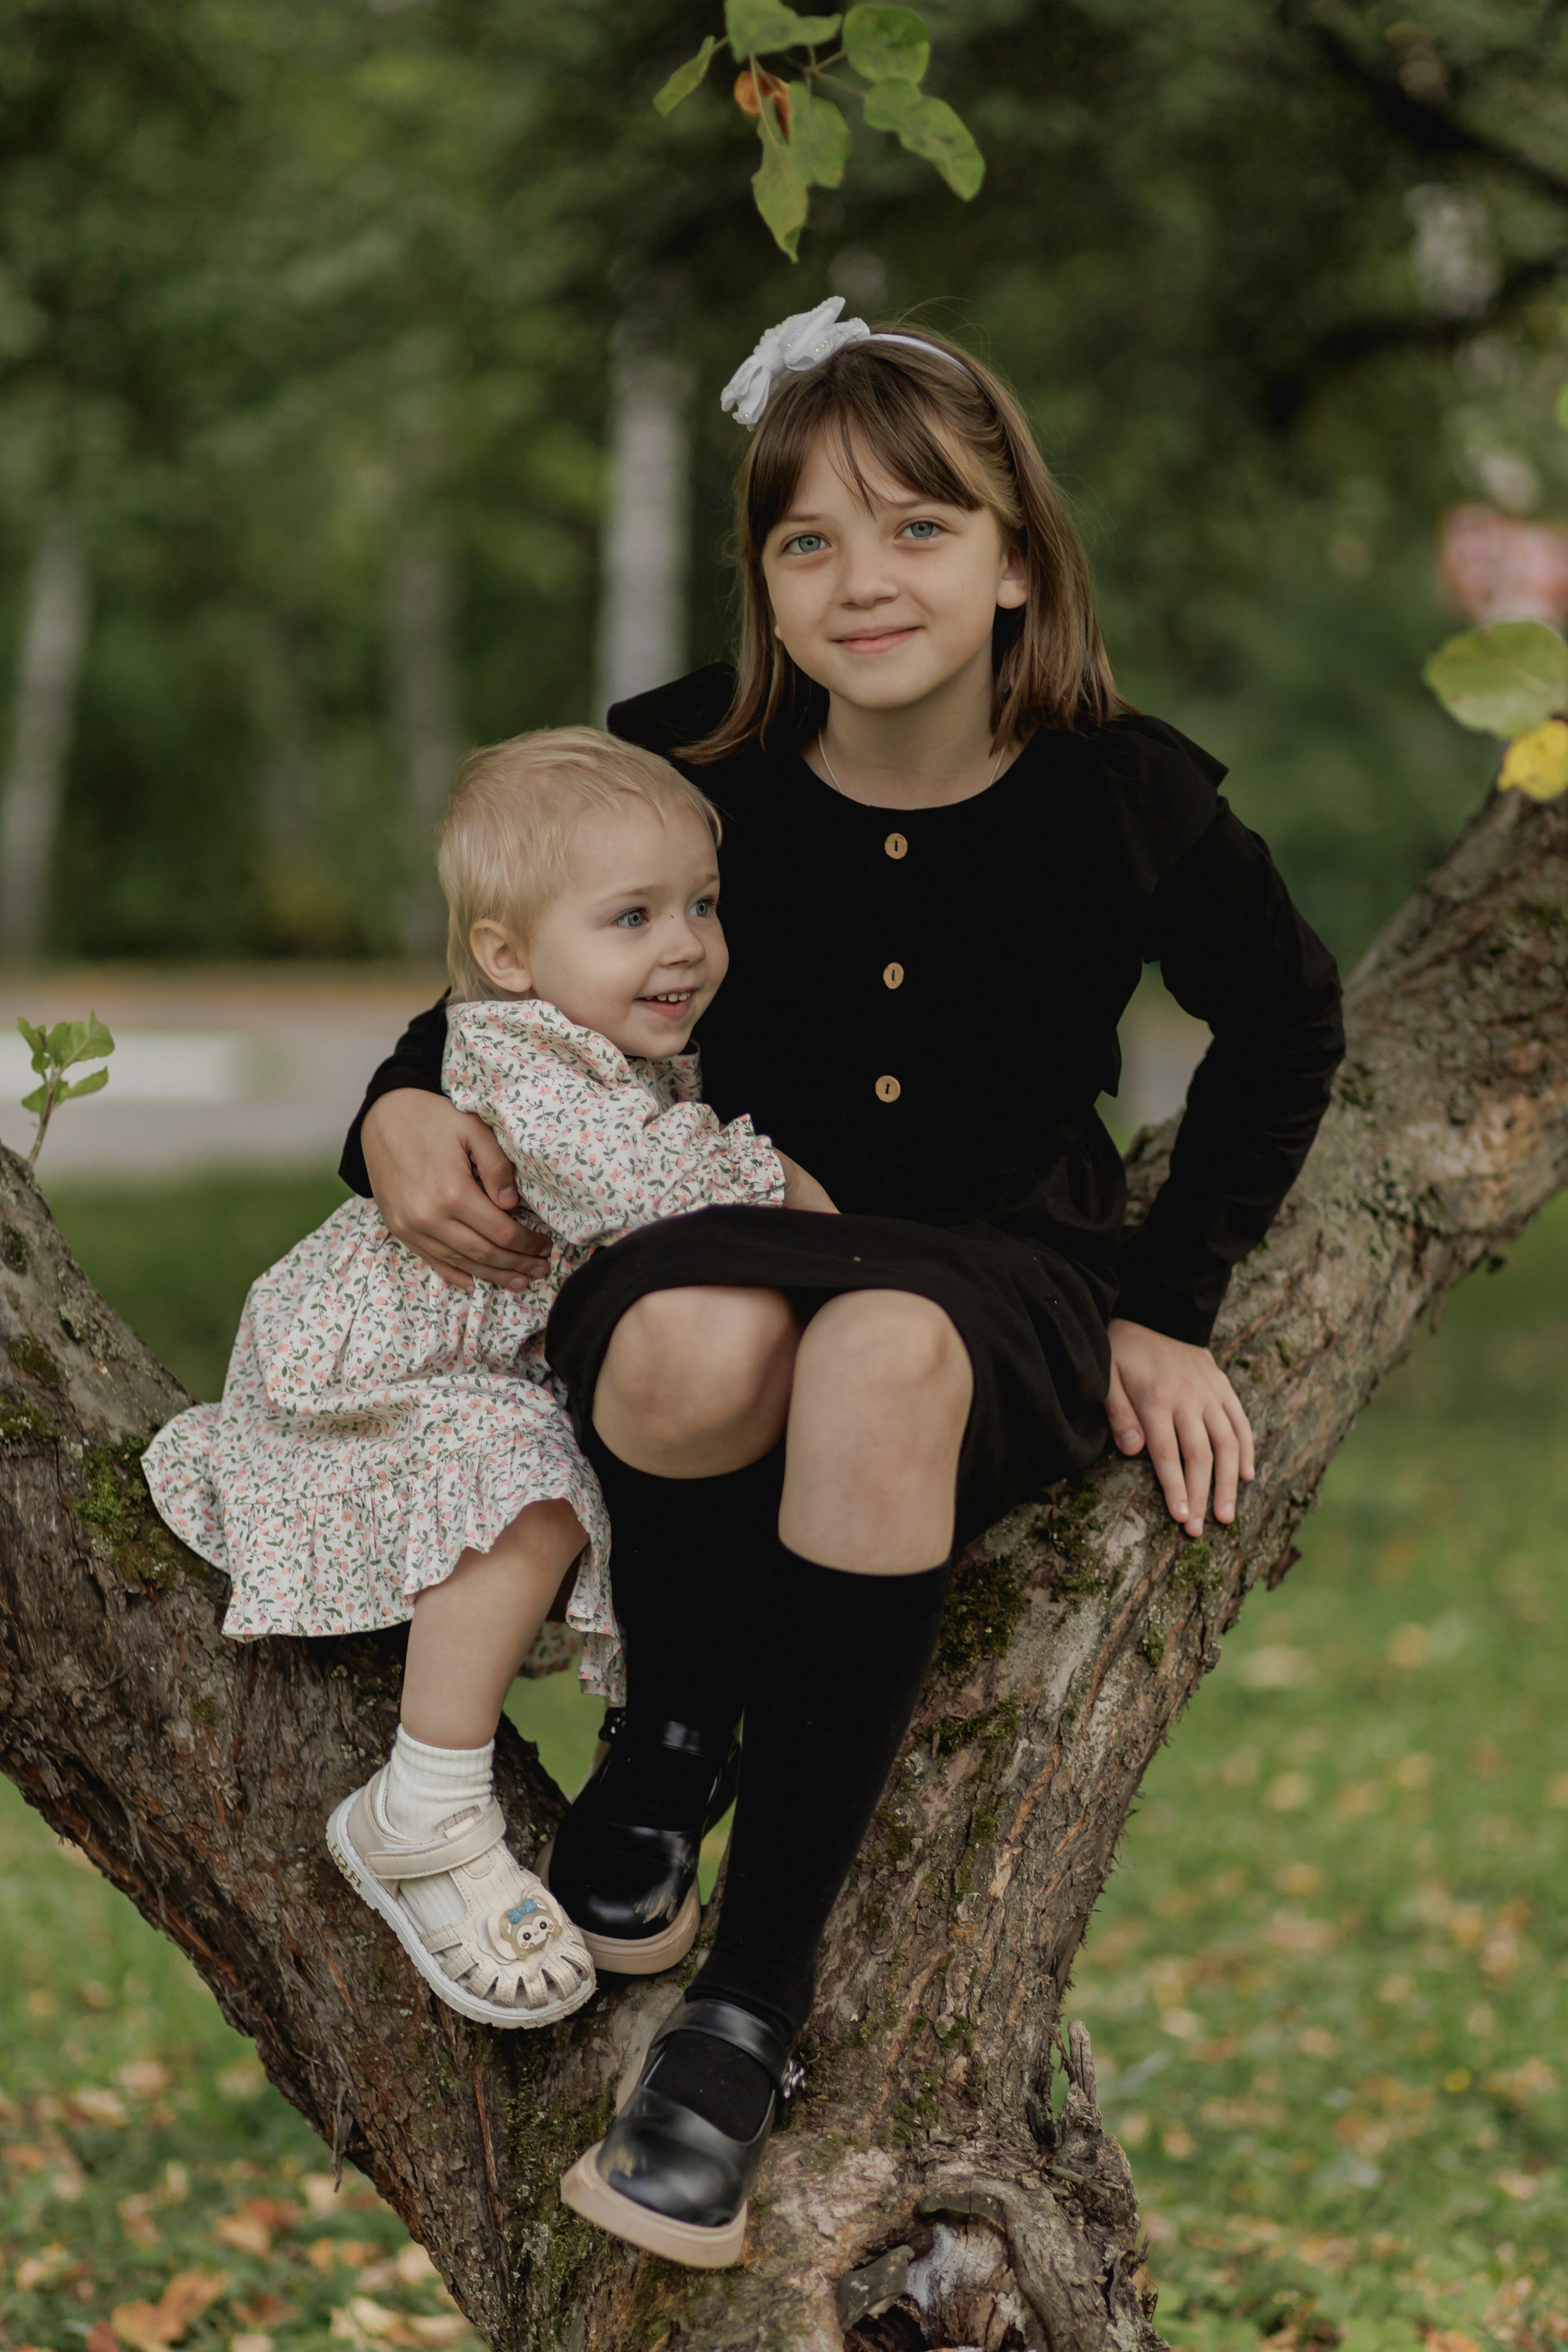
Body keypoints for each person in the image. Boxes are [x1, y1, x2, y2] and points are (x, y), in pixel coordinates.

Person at [342, 300, 1346, 2268]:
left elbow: (1290, 1026)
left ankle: (745, 2016)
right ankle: (675, 1731)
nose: (863, 579)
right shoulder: (680, 760)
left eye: (919, 529)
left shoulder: (1127, 794)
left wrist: (1171, 1300)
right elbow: (510, 986)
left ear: (1017, 561)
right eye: (810, 540)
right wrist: (391, 1111)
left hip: (1000, 1280)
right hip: (717, 1234)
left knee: (879, 1353)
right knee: (708, 1342)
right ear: (763, 581)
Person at [142, 726, 819, 2034]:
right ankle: (425, 1805)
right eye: (630, 917)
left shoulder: (619, 1043)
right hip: (389, 1370)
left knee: (552, 1472)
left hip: (469, 1365)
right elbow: (629, 1189)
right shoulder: (520, 1054)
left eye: (700, 905)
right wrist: (788, 1189)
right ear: (509, 957)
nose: (682, 943)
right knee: (523, 1485)